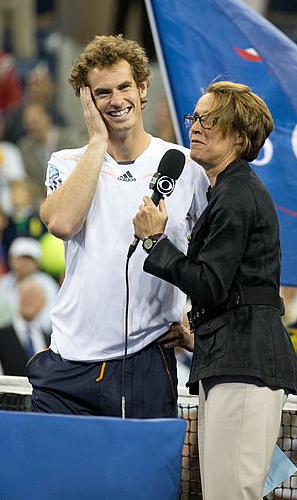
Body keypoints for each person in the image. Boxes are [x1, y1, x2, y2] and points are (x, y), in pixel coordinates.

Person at [132, 80, 297, 499]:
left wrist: (156, 242)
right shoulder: (228, 191)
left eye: (210, 120)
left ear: (240, 136)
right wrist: (202, 335)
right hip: (233, 359)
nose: (196, 126)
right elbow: (233, 291)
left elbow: (211, 284)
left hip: (244, 367)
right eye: (196, 117)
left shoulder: (236, 193)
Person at [30, 35, 208, 418]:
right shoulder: (67, 161)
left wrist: (198, 326)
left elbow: (214, 258)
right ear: (87, 101)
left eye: (125, 86)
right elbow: (62, 223)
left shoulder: (185, 165)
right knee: (55, 479)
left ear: (143, 87)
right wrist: (97, 140)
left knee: (139, 481)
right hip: (67, 363)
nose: (116, 100)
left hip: (145, 361)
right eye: (102, 93)